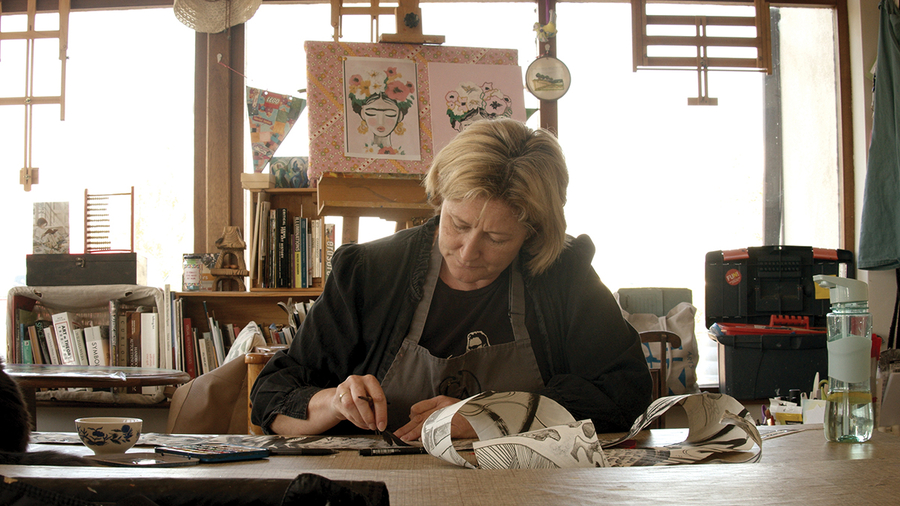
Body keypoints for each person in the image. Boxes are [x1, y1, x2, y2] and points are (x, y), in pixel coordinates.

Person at [250, 118, 652, 441]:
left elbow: (626, 392)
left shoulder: (563, 275)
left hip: (532, 487)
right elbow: (271, 397)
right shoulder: (368, 272)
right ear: (440, 198)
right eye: (457, 224)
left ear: (533, 233)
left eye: (496, 238)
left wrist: (493, 413)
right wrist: (333, 404)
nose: (467, 251)